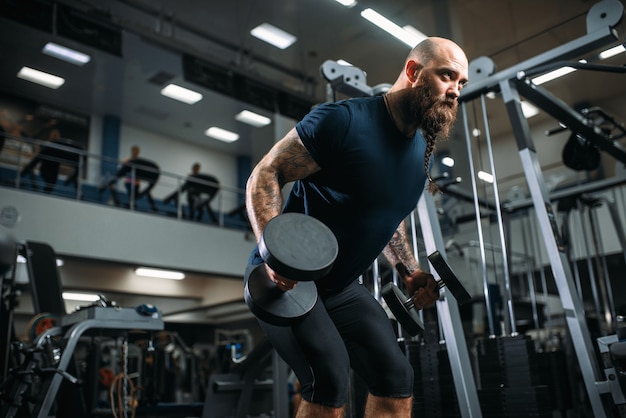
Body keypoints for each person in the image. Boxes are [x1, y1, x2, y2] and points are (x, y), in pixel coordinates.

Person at [244, 37, 469, 417]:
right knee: (329, 377)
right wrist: (276, 256)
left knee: (396, 376)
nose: (455, 91)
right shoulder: (343, 121)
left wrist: (409, 271)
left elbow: (384, 219)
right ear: (413, 72)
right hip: (288, 281)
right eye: (447, 76)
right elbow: (266, 173)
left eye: (461, 84)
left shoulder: (419, 152)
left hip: (341, 287)